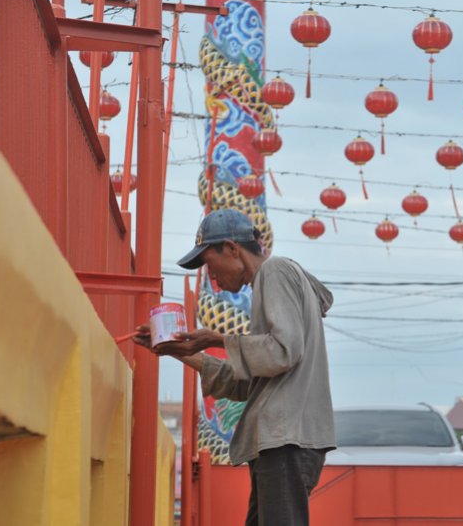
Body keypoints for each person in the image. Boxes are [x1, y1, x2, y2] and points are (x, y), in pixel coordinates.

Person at [133, 208, 336, 526]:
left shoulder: (275, 272)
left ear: (232, 248)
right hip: (282, 440)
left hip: (286, 439)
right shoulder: (270, 285)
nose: (212, 279)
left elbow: (283, 351)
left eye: (210, 266)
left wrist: (218, 338)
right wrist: (180, 351)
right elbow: (250, 380)